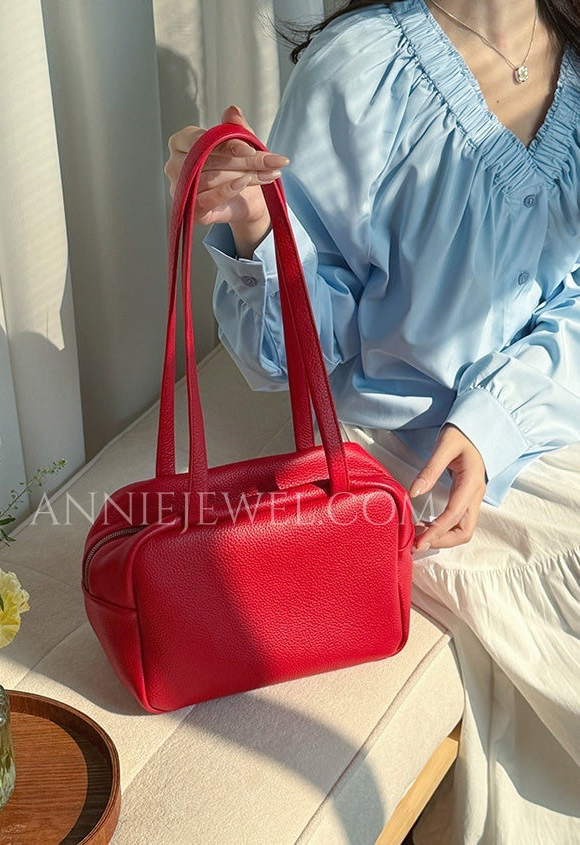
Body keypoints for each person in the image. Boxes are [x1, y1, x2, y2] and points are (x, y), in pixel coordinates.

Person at [165, 1, 580, 842]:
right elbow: (295, 354)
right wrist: (256, 223)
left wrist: (495, 422)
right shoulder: (361, 70)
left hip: (545, 416)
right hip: (410, 461)